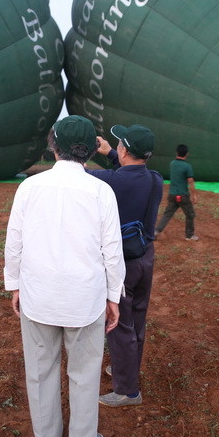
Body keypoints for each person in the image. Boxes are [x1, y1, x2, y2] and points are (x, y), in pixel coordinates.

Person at [4, 115, 124, 437]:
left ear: (53, 146)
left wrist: (14, 284)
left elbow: (14, 242)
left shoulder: (29, 188)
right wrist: (113, 296)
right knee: (84, 376)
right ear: (90, 151)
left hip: (38, 296)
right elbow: (112, 251)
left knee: (41, 372)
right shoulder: (101, 191)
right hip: (85, 300)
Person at [89, 124, 163, 409]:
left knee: (118, 324)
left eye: (118, 145)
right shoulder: (155, 179)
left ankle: (127, 391)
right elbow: (131, 173)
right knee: (138, 319)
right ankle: (127, 368)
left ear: (124, 150)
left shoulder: (109, 181)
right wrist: (109, 152)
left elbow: (80, 176)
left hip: (123, 264)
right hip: (146, 257)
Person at [155, 143, 198, 241]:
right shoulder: (187, 166)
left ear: (177, 153)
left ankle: (156, 231)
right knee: (190, 215)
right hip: (183, 196)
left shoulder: (172, 164)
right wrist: (194, 195)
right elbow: (190, 181)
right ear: (187, 154)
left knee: (167, 214)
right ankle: (189, 235)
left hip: (172, 195)